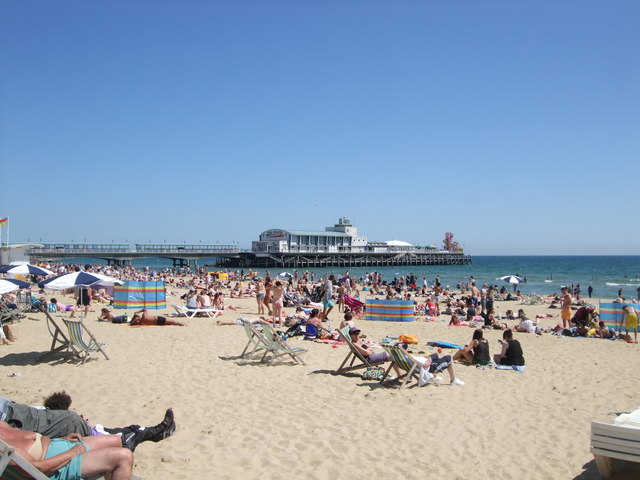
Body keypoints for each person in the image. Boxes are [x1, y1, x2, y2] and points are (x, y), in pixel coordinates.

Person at [0, 395, 175, 452]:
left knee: (78, 422)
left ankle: (144, 433)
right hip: (17, 420)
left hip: (18, 413)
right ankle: (146, 433)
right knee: (75, 421)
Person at [0, 421, 134, 480]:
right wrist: (73, 452)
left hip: (55, 446)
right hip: (54, 467)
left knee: (116, 441)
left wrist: (52, 440)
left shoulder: (1, 423)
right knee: (124, 457)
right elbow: (36, 468)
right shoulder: (2, 445)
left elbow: (39, 438)